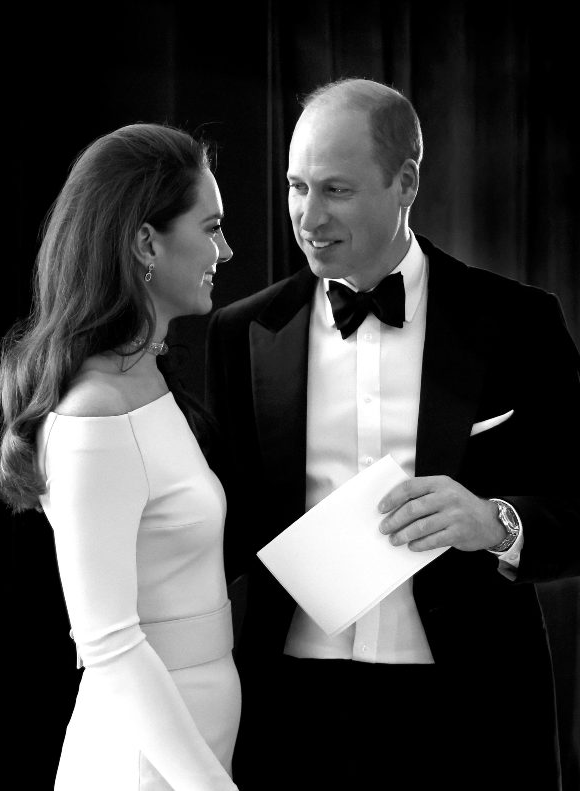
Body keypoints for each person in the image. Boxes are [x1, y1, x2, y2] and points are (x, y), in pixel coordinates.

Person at [205, 79, 580, 791]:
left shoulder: (520, 322)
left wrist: (497, 522)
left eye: (336, 190)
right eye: (296, 187)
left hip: (472, 714)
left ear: (405, 180)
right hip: (291, 716)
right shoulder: (241, 333)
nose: (307, 217)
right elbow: (223, 524)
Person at [0, 123, 240, 790]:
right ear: (145, 241)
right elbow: (108, 643)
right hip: (141, 764)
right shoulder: (94, 415)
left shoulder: (148, 381)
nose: (227, 249)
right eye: (210, 228)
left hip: (185, 746)